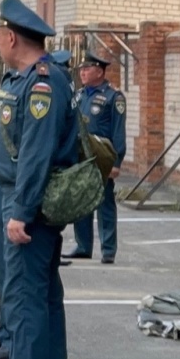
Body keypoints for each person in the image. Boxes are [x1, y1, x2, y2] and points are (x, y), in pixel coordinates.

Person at [0, 0, 77, 359]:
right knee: (43, 294)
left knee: (24, 297)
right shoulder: (32, 79)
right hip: (25, 199)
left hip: (27, 205)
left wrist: (21, 211)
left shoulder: (41, 84)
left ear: (11, 36)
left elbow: (35, 155)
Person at [68, 51, 126, 264]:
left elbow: (118, 132)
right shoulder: (80, 95)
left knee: (104, 203)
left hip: (102, 156)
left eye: (87, 68)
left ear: (100, 71)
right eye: (81, 69)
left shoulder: (113, 97)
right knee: (81, 201)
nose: (82, 72)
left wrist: (116, 162)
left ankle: (108, 249)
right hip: (81, 155)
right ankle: (83, 246)